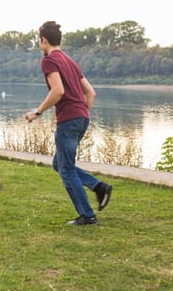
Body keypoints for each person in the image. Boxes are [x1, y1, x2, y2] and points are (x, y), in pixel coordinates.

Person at [25, 21, 112, 226]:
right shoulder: (70, 60)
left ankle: (88, 215)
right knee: (60, 164)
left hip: (69, 120)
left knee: (66, 169)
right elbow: (91, 93)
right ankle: (98, 187)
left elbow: (58, 91)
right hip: (82, 118)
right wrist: (82, 113)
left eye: (39, 39)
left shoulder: (49, 60)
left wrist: (37, 112)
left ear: (43, 40)